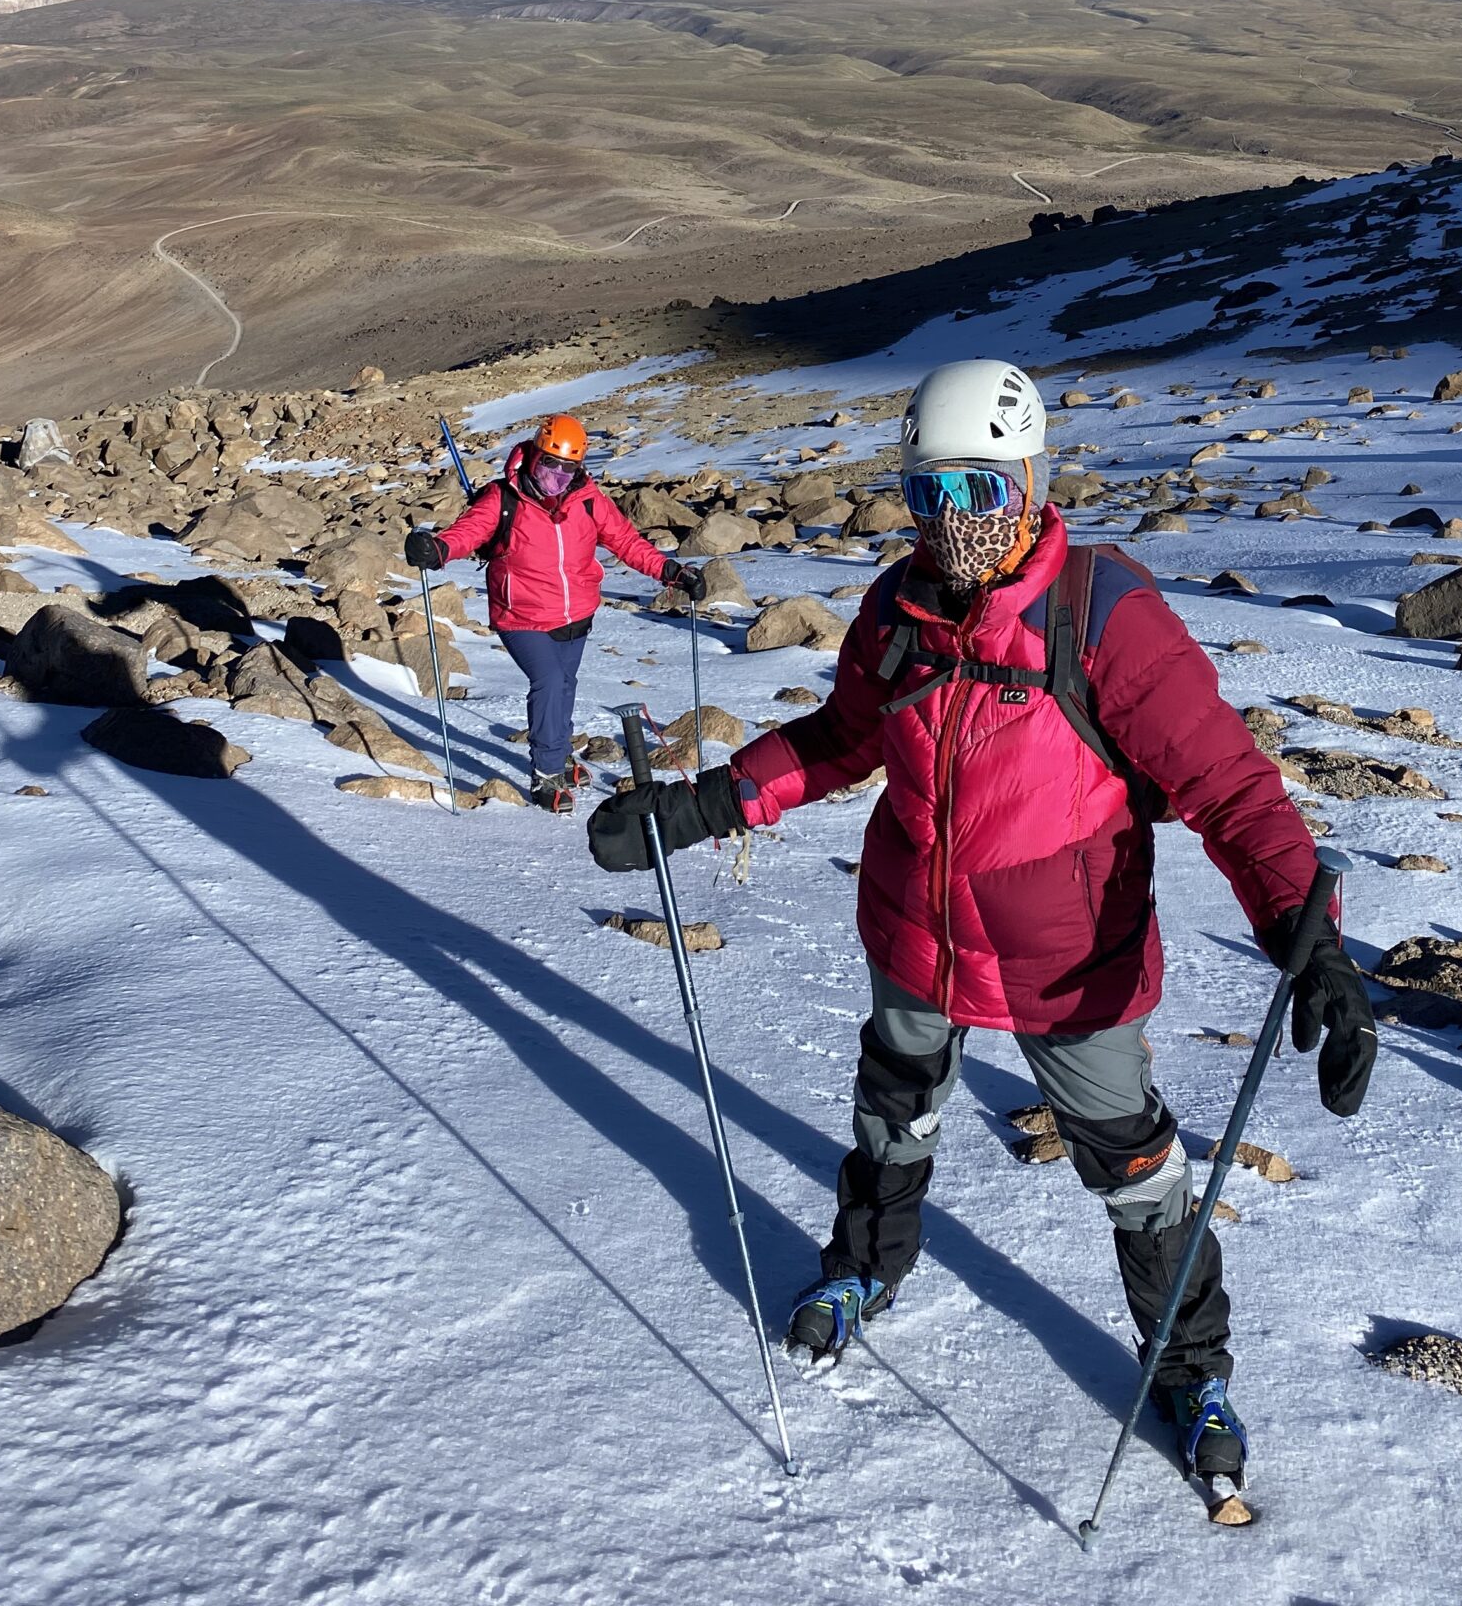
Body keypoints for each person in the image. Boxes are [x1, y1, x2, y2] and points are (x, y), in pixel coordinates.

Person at [586, 358, 1375, 1493]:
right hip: (917, 930)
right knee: (892, 1113)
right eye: (928, 492)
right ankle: (864, 1268)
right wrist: (699, 807)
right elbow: (839, 739)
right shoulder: (896, 614)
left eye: (979, 490)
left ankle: (1189, 1366)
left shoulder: (1104, 617)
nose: (952, 522)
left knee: (1134, 1166)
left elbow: (1231, 789)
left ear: (1032, 482)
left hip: (1070, 964)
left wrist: (1313, 941)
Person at [406, 412, 706, 809]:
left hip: (576, 614)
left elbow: (627, 542)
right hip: (521, 615)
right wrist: (438, 549)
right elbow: (470, 531)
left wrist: (671, 571)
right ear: (534, 455)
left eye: (569, 468)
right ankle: (546, 772)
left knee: (564, 683)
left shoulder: (588, 500)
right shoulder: (504, 497)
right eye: (551, 463)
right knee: (548, 680)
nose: (558, 475)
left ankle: (561, 753)